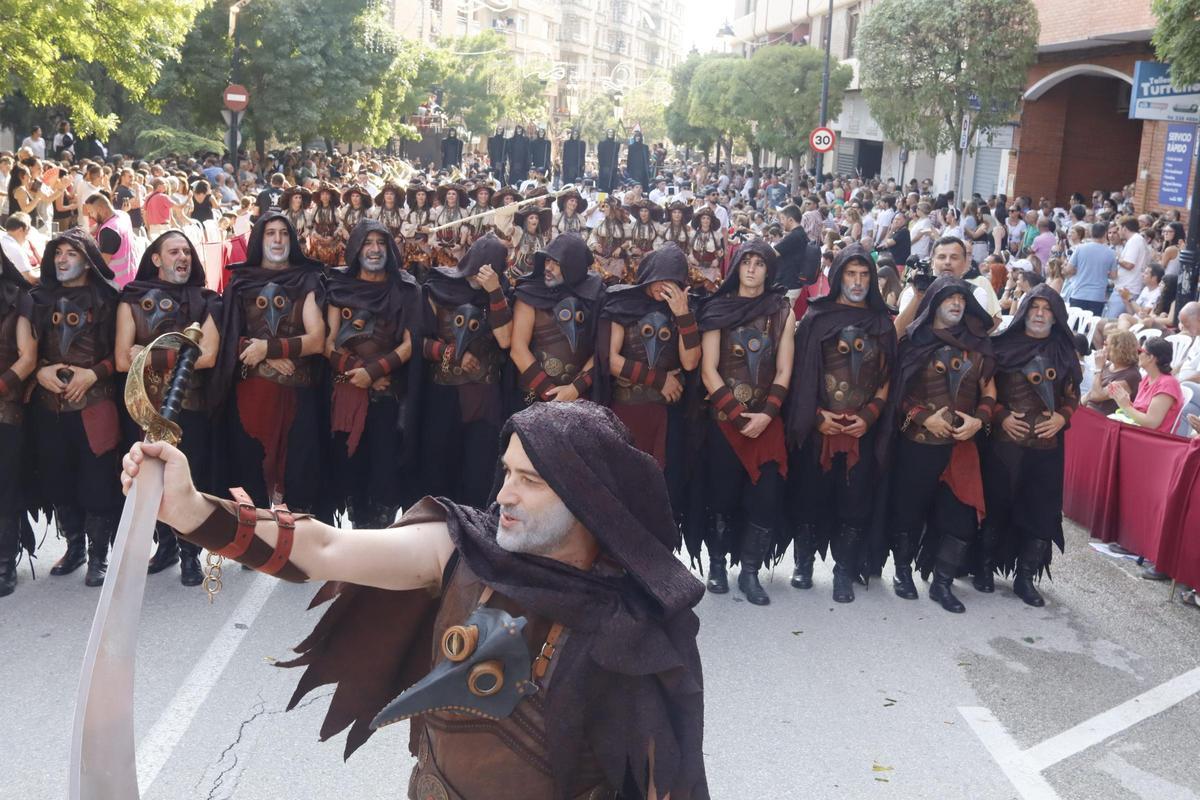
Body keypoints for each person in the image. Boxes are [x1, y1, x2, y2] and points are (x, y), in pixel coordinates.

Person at [121, 400, 708, 799]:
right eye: (506, 472)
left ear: (589, 499)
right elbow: (325, 549)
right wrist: (192, 510)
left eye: (530, 480)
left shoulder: (633, 627)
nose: (504, 494)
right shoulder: (463, 551)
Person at [786, 244, 896, 602]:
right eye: (851, 274)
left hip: (861, 430)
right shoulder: (817, 317)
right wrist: (818, 417)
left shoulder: (882, 323)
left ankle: (844, 570)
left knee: (855, 502)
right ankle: (803, 564)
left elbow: (886, 379)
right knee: (808, 497)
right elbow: (800, 375)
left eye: (864, 275)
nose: (858, 281)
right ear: (838, 277)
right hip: (821, 426)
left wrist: (869, 416)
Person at [114, 232, 221, 585]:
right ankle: (165, 546)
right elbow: (119, 358)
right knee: (149, 477)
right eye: (174, 251)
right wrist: (173, 356)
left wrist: (146, 354)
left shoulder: (207, 301)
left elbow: (206, 357)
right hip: (146, 406)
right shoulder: (131, 299)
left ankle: (190, 554)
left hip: (189, 405)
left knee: (189, 478)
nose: (183, 257)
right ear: (156, 259)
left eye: (187, 252)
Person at [887, 276, 996, 613]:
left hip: (961, 446)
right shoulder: (914, 341)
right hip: (918, 443)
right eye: (949, 298)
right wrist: (922, 417)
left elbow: (990, 389)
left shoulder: (978, 345)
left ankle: (943, 583)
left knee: (962, 515)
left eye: (961, 300)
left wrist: (979, 419)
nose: (956, 304)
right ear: (934, 303)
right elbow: (898, 392)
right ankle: (903, 572)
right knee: (908, 512)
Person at [697, 241, 794, 606]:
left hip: (766, 422)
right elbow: (708, 370)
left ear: (769, 271)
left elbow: (784, 368)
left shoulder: (782, 311)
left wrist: (767, 414)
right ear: (737, 267)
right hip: (725, 421)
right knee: (721, 497)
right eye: (747, 263)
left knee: (764, 498)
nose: (752, 269)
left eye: (760, 264)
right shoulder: (716, 308)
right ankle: (719, 565)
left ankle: (751, 571)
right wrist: (737, 417)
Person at [209, 213, 326, 511]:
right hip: (252, 396)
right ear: (259, 240)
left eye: (284, 234)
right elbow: (226, 340)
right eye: (270, 233)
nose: (277, 240)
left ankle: (300, 554)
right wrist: (262, 353)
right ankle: (257, 553)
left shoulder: (306, 279)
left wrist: (270, 349)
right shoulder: (241, 282)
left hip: (296, 395)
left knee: (300, 478)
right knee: (251, 479)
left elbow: (316, 340)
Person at [30, 229, 123, 586]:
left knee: (98, 481)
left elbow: (124, 351)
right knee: (57, 478)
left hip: (96, 406)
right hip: (49, 406)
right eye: (58, 254)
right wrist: (40, 372)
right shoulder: (36, 299)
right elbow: (26, 350)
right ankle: (75, 547)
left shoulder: (110, 298)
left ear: (87, 259)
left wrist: (94, 373)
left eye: (71, 253)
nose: (63, 259)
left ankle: (99, 556)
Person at [977, 286, 1080, 606]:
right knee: (996, 507)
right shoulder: (1001, 346)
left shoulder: (1064, 350)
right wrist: (1001, 415)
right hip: (1004, 445)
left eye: (1046, 309)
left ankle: (1025, 578)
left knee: (1041, 512)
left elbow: (1072, 394)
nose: (1039, 313)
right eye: (1033, 307)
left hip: (1046, 447)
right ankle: (982, 568)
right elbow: (983, 392)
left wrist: (1063, 417)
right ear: (1024, 311)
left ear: (1056, 315)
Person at [325, 221, 421, 528]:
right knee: (351, 470)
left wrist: (376, 371)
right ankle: (356, 540)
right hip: (347, 395)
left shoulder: (404, 288)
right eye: (368, 243)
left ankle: (379, 542)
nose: (375, 249)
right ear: (356, 249)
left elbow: (409, 344)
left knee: (384, 472)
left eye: (381, 242)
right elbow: (326, 343)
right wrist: (360, 373)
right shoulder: (338, 286)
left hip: (387, 396)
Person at [595, 247, 700, 526]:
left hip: (666, 416)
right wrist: (660, 378)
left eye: (672, 282)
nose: (664, 287)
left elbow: (690, 363)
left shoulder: (687, 310)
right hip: (627, 409)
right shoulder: (622, 303)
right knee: (624, 485)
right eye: (659, 279)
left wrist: (682, 315)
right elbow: (610, 359)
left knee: (664, 490)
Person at [418, 234, 513, 508]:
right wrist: (451, 353)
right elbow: (418, 340)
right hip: (444, 392)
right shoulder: (438, 287)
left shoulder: (503, 294)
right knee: (439, 467)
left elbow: (505, 340)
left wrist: (494, 291)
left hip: (485, 395)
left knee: (479, 472)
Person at [510, 234, 602, 406]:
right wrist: (551, 395)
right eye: (547, 261)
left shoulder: (595, 295)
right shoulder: (530, 293)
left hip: (579, 396)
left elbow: (601, 350)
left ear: (573, 266)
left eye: (557, 263)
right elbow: (518, 350)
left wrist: (574, 389)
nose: (548, 268)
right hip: (534, 397)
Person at [0, 247, 37, 596]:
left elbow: (27, 358)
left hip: (5, 408)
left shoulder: (18, 299)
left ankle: (4, 562)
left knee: (4, 488)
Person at [1109, 337, 1184, 434]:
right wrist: (1124, 401)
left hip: (1152, 439)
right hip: (1138, 432)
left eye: (1140, 351)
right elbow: (1140, 412)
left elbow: (1151, 423)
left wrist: (1126, 406)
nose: (1137, 354)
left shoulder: (1168, 384)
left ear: (1151, 357)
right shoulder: (1146, 379)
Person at [83, 193, 137, 287]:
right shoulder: (123, 215)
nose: (91, 216)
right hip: (130, 277)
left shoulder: (108, 232)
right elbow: (98, 225)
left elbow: (101, 264)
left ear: (100, 209)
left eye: (91, 212)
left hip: (116, 285)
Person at [1083, 330, 1140, 415]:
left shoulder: (1131, 376)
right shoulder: (1109, 365)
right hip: (1088, 411)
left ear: (1118, 349)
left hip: (1103, 419)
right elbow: (1091, 393)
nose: (1103, 348)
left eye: (1106, 344)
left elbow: (1096, 395)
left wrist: (1098, 369)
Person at [1106, 218, 1149, 318]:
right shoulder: (1135, 240)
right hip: (1126, 287)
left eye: (1119, 229)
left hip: (1126, 288)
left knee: (1111, 321)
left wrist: (1116, 258)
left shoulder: (1135, 240)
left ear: (1124, 228)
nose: (1118, 232)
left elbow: (1129, 265)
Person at [588, 197, 630, 284]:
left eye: (607, 206)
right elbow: (593, 235)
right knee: (596, 280)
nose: (604, 209)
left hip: (616, 259)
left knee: (613, 281)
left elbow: (630, 241)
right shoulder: (600, 222)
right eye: (604, 206)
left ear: (613, 209)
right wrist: (595, 244)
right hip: (600, 257)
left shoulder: (624, 224)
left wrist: (621, 248)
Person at [507, 207, 552, 284]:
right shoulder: (519, 234)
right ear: (525, 221)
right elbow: (507, 229)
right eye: (531, 218)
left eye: (536, 218)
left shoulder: (541, 238)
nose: (535, 220)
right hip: (517, 276)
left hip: (534, 277)